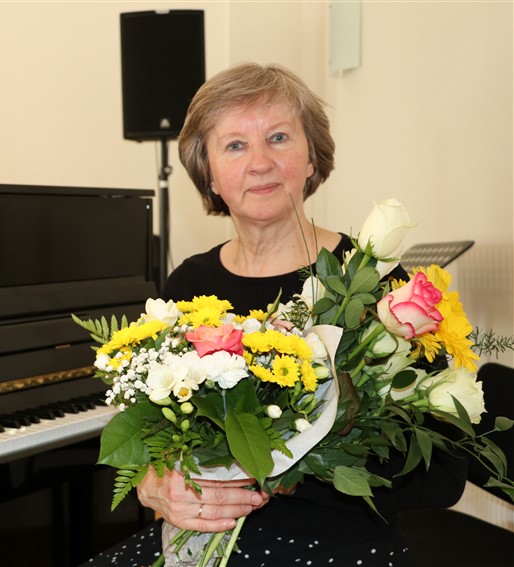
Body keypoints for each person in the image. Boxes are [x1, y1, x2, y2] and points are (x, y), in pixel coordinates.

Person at [86, 63, 466, 566]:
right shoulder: (186, 286)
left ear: (311, 158)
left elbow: (444, 473)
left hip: (339, 545)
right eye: (235, 145)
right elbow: (153, 438)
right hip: (202, 543)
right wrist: (153, 482)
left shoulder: (376, 286)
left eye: (279, 137)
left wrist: (281, 470)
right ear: (210, 175)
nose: (260, 162)